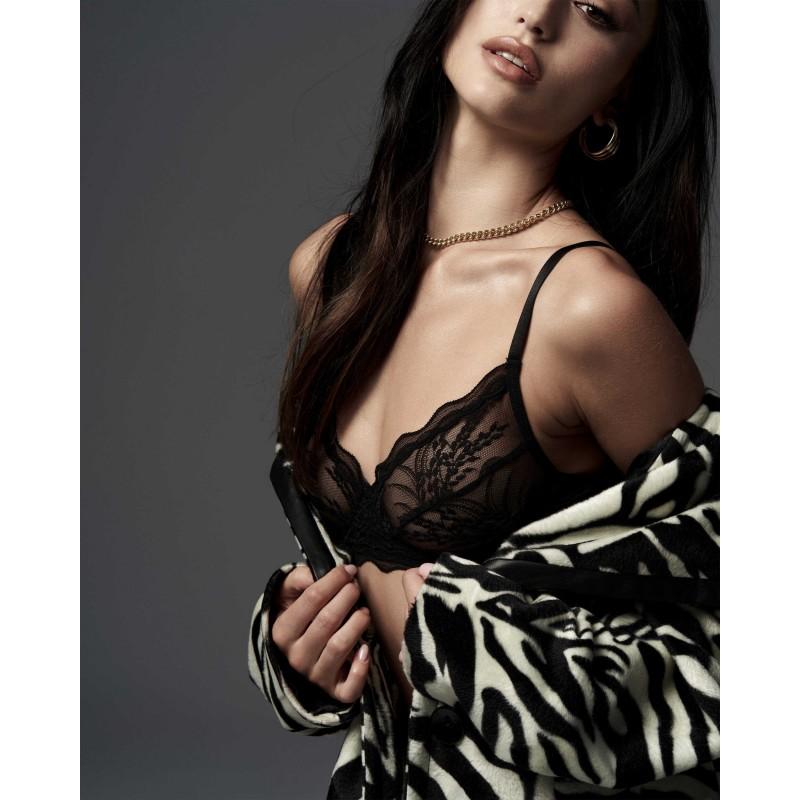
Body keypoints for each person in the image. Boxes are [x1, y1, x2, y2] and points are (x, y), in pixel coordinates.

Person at [248, 1, 719, 797]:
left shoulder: (591, 309)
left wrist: (485, 647)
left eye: (596, 10)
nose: (538, 15)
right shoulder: (329, 267)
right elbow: (349, 554)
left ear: (619, 94)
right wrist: (304, 643)